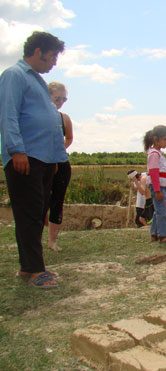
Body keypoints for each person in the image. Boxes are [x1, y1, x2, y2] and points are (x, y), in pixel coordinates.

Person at [0, 31, 66, 289]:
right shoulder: (14, 76)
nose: (54, 62)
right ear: (38, 51)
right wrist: (17, 150)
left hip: (43, 157)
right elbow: (8, 115)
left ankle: (30, 267)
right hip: (26, 157)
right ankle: (36, 271)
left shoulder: (36, 80)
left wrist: (56, 156)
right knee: (29, 214)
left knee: (38, 214)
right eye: (52, 56)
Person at [46, 81, 73, 251]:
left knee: (57, 201)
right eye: (57, 98)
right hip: (42, 163)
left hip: (61, 164)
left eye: (64, 99)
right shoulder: (37, 116)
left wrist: (58, 151)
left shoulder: (64, 118)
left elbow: (69, 138)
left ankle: (52, 241)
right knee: (40, 201)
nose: (60, 102)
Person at [144, 125, 166, 244]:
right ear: (156, 139)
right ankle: (163, 235)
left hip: (160, 187)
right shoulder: (154, 154)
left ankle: (154, 233)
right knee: (162, 211)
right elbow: (154, 172)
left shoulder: (157, 153)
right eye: (164, 139)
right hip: (158, 187)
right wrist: (157, 190)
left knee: (158, 210)